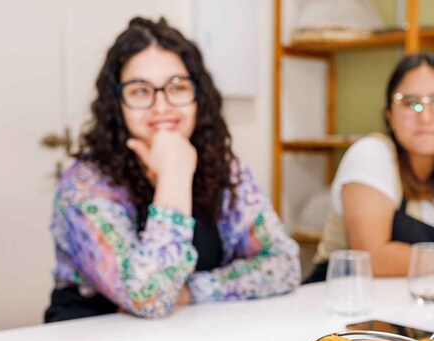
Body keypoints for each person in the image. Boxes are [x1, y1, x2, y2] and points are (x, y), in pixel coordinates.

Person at [45, 17, 299, 322]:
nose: (162, 106)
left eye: (177, 87)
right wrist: (175, 174)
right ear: (117, 103)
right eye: (140, 91)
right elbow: (149, 298)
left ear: (198, 96)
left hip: (188, 338)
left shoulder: (224, 168)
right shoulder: (85, 185)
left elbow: (284, 264)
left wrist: (192, 291)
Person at [306, 53, 434, 282]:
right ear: (389, 115)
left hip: (429, 308)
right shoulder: (372, 154)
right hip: (343, 306)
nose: (425, 117)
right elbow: (373, 259)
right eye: (410, 103)